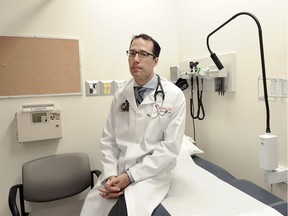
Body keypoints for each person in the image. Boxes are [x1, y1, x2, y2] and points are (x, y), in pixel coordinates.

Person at [80, 33, 186, 216]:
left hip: (151, 174)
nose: (136, 59)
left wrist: (129, 177)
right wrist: (111, 175)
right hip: (118, 169)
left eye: (143, 54)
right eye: (132, 53)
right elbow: (108, 140)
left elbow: (169, 148)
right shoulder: (120, 95)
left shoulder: (174, 96)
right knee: (92, 209)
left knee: (128, 210)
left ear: (155, 61)